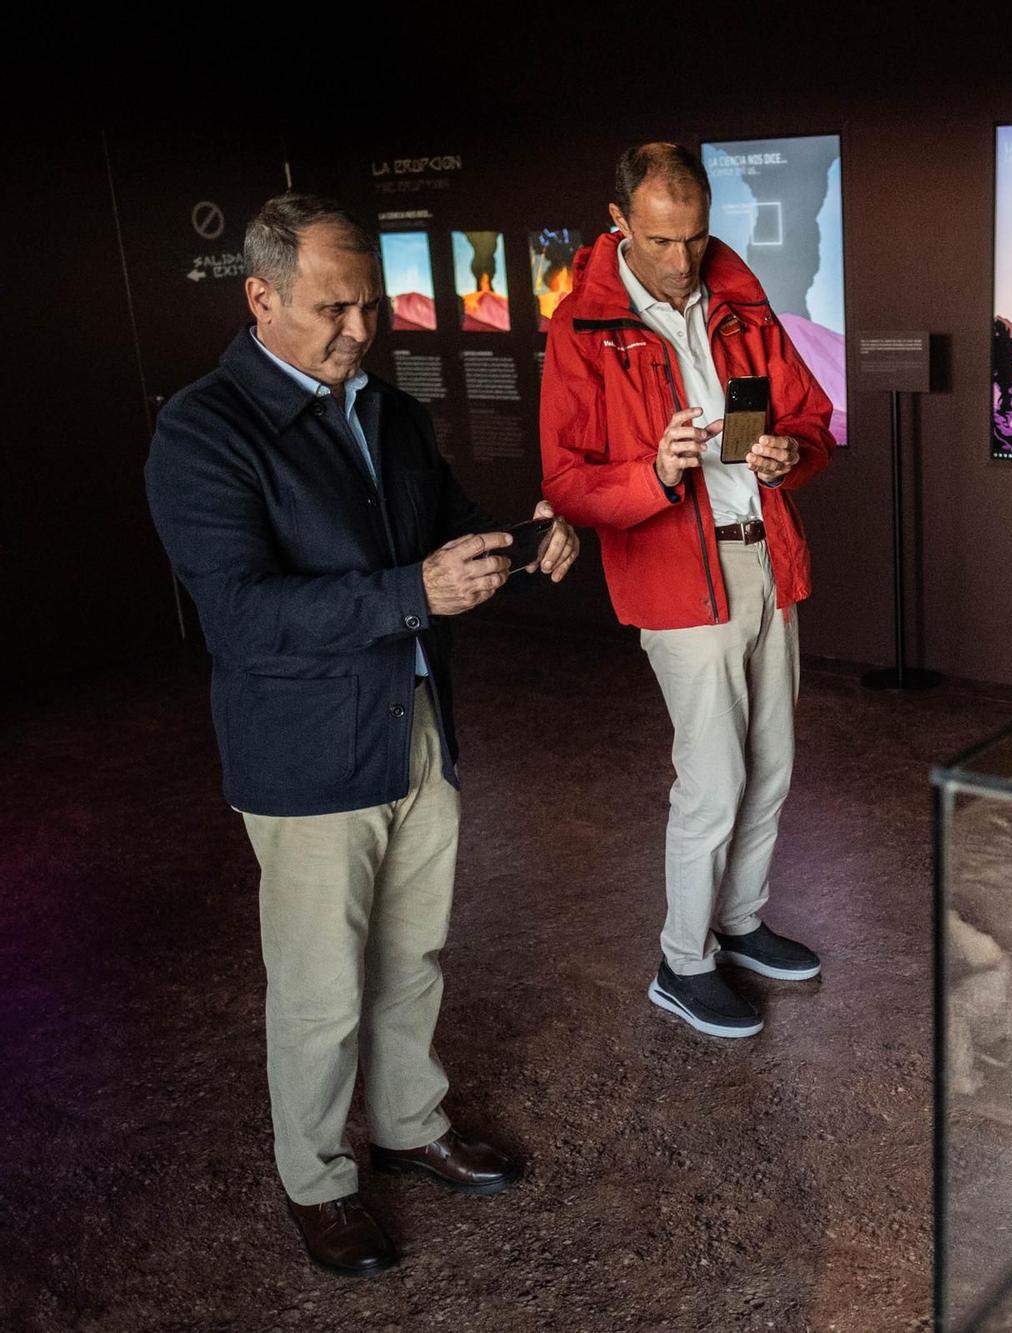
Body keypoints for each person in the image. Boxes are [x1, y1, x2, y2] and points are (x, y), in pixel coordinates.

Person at [145, 193, 579, 1276]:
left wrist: (526, 543)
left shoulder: (387, 408)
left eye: (370, 308)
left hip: (416, 726)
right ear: (261, 297)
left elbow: (441, 536)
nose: (357, 330)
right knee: (318, 985)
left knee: (412, 954)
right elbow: (243, 615)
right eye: (332, 309)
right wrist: (411, 593)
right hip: (305, 760)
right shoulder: (201, 429)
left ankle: (406, 1125)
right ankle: (319, 1179)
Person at [540, 143, 835, 1039]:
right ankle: (683, 959)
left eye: (697, 238)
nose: (681, 261)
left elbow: (809, 420)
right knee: (713, 778)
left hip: (764, 560)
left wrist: (789, 455)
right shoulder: (582, 330)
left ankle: (739, 921)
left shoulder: (739, 301)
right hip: (674, 577)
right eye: (662, 241)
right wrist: (654, 472)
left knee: (773, 766)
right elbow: (566, 482)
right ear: (619, 222)